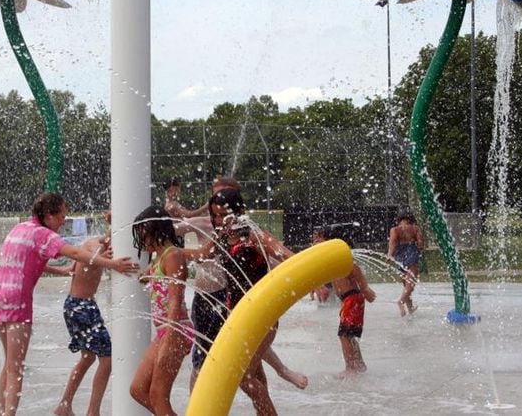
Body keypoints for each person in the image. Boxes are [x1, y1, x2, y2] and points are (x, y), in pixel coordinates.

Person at [0, 193, 137, 416]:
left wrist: (59, 270)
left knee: (10, 363)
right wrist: (113, 264)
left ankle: (1, 413)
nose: (64, 221)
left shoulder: (21, 228)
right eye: (62, 216)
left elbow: (23, 259)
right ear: (48, 216)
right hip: (17, 301)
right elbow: (77, 253)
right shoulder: (44, 235)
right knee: (16, 368)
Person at [185, 177, 308, 393]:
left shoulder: (252, 234)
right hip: (237, 313)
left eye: (224, 215)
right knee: (252, 377)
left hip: (262, 313)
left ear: (238, 211)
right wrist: (171, 253)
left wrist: (315, 278)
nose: (220, 220)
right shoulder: (220, 237)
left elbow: (284, 255)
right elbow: (201, 255)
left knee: (243, 376)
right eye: (215, 216)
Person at [54, 211, 128, 416]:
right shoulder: (94, 247)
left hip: (76, 306)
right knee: (107, 358)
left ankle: (64, 405)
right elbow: (94, 258)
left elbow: (73, 268)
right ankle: (93, 412)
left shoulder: (95, 244)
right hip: (82, 307)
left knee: (87, 358)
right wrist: (107, 258)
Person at [129, 205, 194, 416]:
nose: (140, 240)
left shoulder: (172, 256)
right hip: (164, 331)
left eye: (142, 233)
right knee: (138, 390)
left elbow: (175, 301)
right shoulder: (159, 258)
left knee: (158, 396)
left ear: (153, 229)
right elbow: (148, 277)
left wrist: (168, 340)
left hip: (176, 330)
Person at [314, 224, 376, 377]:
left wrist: (366, 290)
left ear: (330, 241)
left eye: (318, 239)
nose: (314, 243)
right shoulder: (331, 260)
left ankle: (350, 368)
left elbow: (356, 271)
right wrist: (320, 287)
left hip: (353, 298)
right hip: (348, 300)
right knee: (349, 334)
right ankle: (360, 364)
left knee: (344, 335)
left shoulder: (344, 259)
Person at [387, 211, 424, 316]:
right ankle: (401, 302)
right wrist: (420, 248)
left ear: (399, 220)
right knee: (410, 284)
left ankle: (410, 308)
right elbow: (420, 243)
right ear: (409, 219)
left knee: (406, 284)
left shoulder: (394, 229)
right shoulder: (414, 228)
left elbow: (392, 243)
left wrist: (389, 255)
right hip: (411, 253)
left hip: (399, 256)